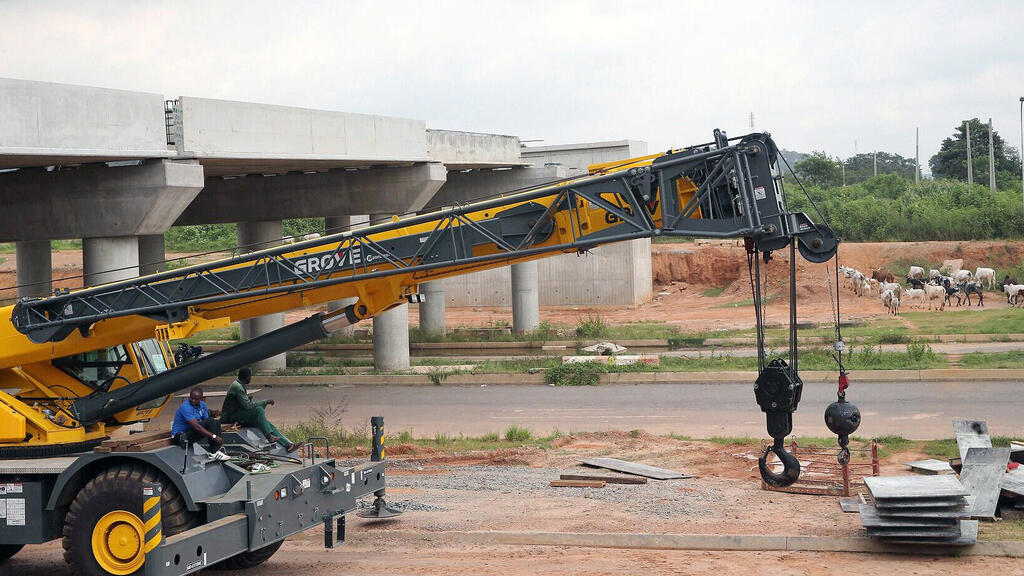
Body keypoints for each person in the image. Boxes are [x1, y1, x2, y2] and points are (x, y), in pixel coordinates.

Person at [220, 367, 298, 452]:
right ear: (247, 377)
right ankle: (269, 437)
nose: (251, 378)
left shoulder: (238, 384)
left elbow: (242, 404)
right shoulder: (237, 386)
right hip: (232, 417)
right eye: (250, 376)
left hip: (238, 413)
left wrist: (247, 399)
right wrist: (265, 402)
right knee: (259, 410)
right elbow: (248, 406)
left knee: (266, 424)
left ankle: (288, 445)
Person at [171, 387, 230, 461]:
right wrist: (214, 436)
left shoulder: (202, 405)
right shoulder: (185, 407)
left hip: (189, 434)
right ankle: (214, 451)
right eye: (191, 398)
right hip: (180, 438)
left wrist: (217, 434)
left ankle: (218, 448)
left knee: (216, 422)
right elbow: (197, 427)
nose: (193, 400)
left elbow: (207, 423)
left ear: (201, 398)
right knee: (211, 421)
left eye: (196, 399)